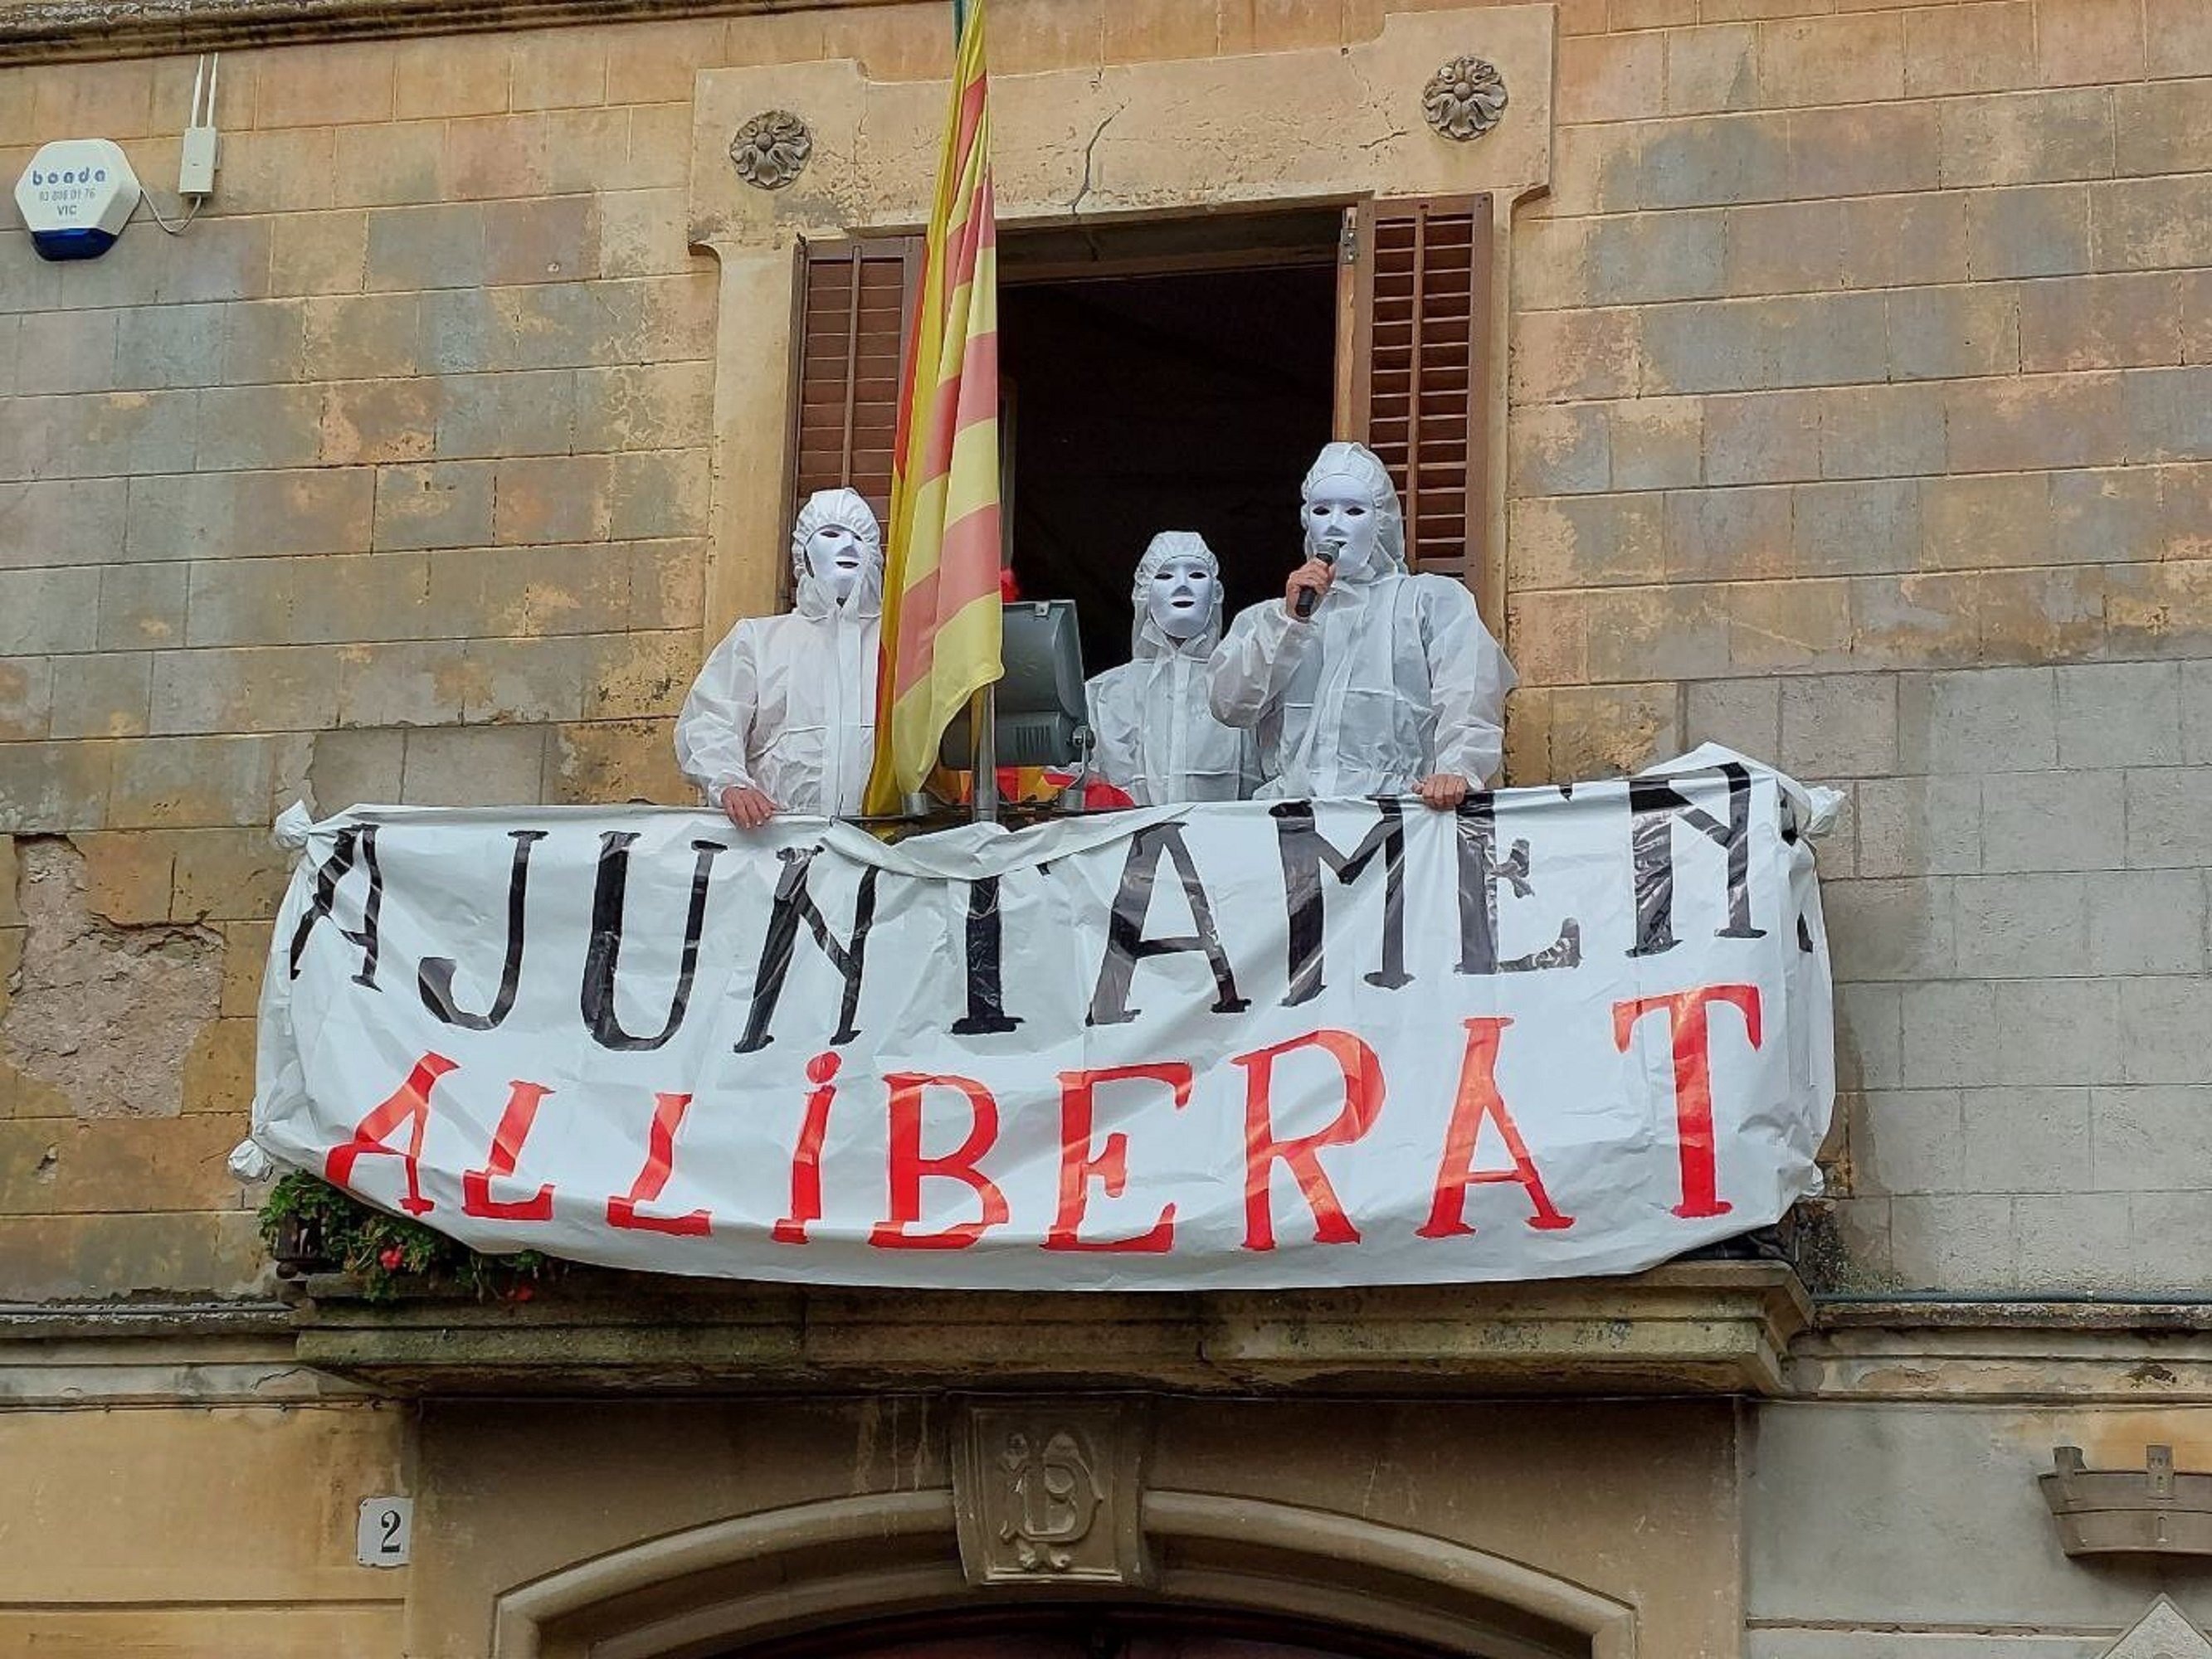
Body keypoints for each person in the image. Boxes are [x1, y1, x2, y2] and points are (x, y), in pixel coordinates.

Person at [1207, 441, 1514, 809]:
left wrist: (1458, 768)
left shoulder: (1430, 602)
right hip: (1295, 820)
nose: (1335, 524)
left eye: (1353, 510)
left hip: (1399, 816)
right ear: (1306, 520)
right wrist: (1290, 623)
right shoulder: (1269, 619)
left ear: (1381, 519)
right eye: (1322, 510)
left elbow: (1469, 688)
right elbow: (1231, 706)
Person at [675, 488, 882, 827]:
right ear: (804, 553)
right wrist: (730, 783)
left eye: (859, 538)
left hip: (886, 843)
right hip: (778, 849)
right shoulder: (758, 640)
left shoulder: (899, 645)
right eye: (830, 534)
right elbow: (711, 721)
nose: (847, 546)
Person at [1084, 531, 1255, 805]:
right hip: (1130, 847)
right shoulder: (1102, 695)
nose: (1183, 586)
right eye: (1166, 576)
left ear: (1215, 593)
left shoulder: (1241, 689)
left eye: (1197, 575)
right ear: (1144, 594)